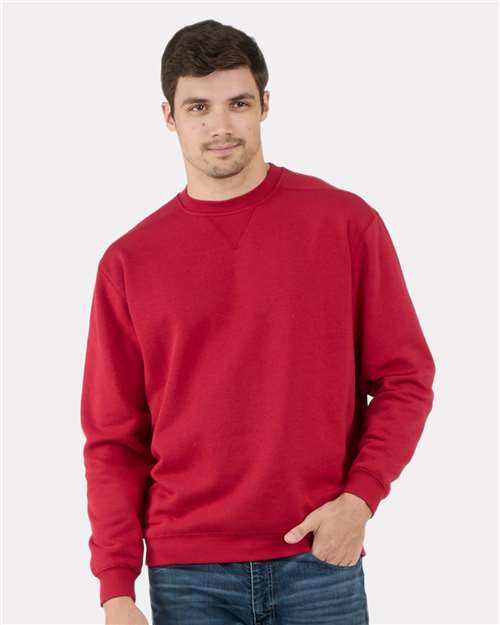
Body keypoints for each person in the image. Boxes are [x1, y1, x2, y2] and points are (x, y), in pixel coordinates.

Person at [80, 19, 436, 625]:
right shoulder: (129, 261)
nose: (220, 126)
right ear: (169, 117)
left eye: (238, 103)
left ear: (265, 106)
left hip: (318, 557)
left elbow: (406, 378)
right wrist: (116, 588)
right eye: (198, 107)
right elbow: (113, 438)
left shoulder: (346, 225)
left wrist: (360, 499)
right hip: (187, 575)